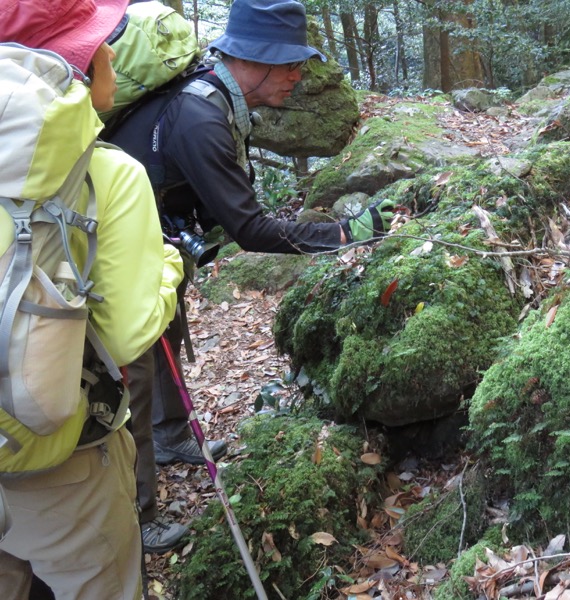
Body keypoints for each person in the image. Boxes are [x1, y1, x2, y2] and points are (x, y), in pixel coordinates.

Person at [105, 0, 395, 554]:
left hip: (151, 236)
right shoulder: (201, 115)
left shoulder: (214, 96)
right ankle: (135, 519)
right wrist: (340, 235)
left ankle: (169, 439)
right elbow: (248, 228)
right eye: (289, 63)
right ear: (255, 59)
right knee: (135, 371)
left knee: (163, 329)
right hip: (116, 250)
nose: (298, 75)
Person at [0, 0, 183, 597]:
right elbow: (130, 336)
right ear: (72, 59)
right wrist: (170, 271)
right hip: (57, 459)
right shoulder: (110, 174)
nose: (109, 52)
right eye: (100, 39)